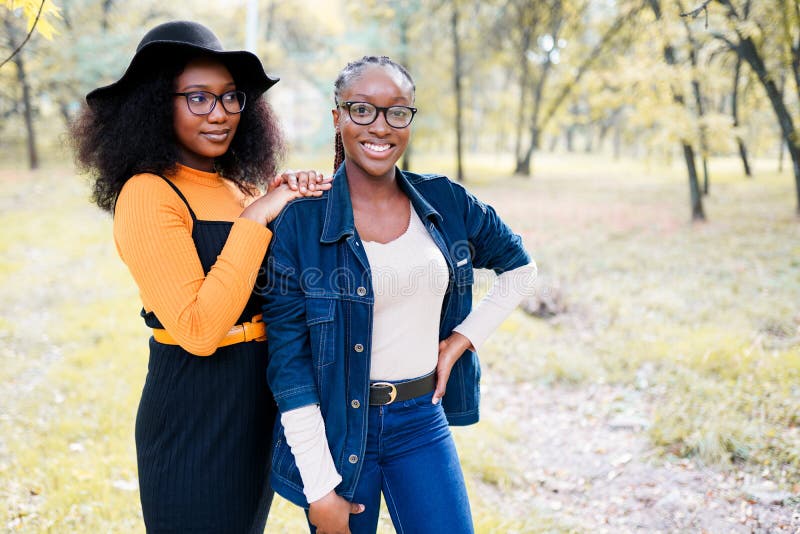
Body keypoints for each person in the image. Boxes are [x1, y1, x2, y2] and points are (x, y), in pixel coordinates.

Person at [71, 20, 329, 533]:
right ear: (155, 104)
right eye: (198, 98)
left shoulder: (237, 187)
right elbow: (197, 329)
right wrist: (257, 217)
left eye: (231, 98)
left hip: (255, 400)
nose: (219, 115)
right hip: (193, 410)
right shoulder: (148, 194)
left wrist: (286, 199)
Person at [261, 55, 536, 534]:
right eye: (362, 110)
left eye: (397, 112)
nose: (380, 127)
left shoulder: (447, 202)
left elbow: (520, 269)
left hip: (421, 422)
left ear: (410, 118)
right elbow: (290, 365)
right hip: (338, 430)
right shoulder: (300, 222)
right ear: (338, 117)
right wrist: (320, 488)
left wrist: (462, 340)